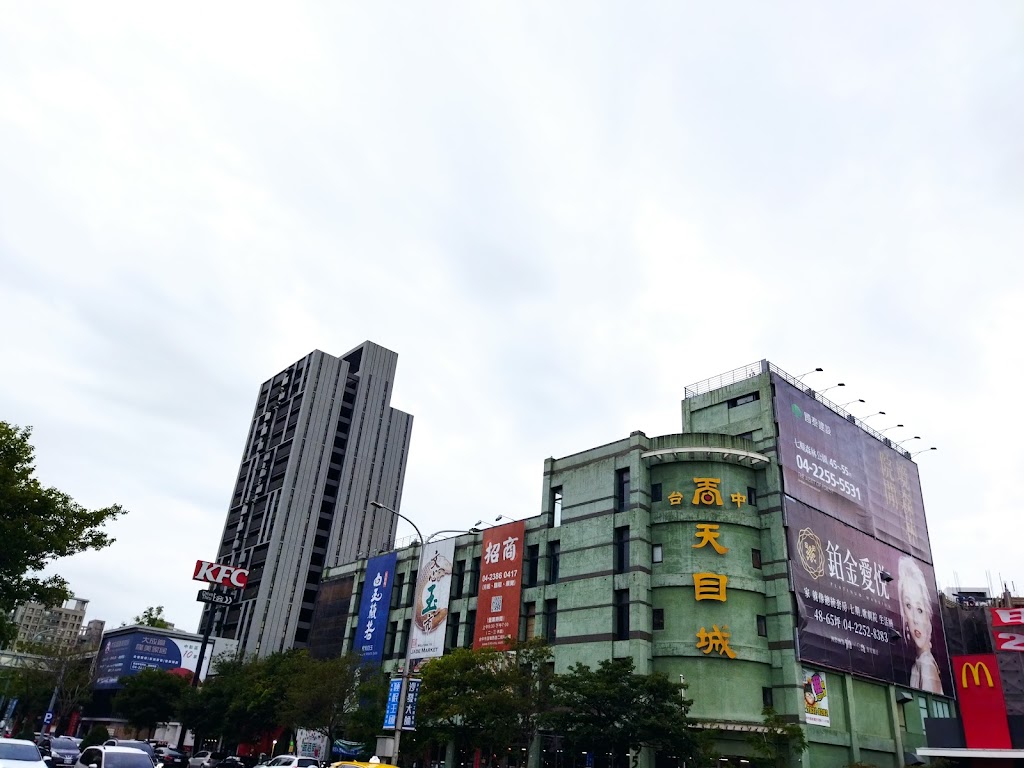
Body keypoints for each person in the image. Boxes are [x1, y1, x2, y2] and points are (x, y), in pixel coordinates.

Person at [898, 556, 943, 694]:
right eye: (908, 606)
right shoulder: (918, 664)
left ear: (928, 616)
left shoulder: (926, 666)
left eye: (919, 610)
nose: (915, 619)